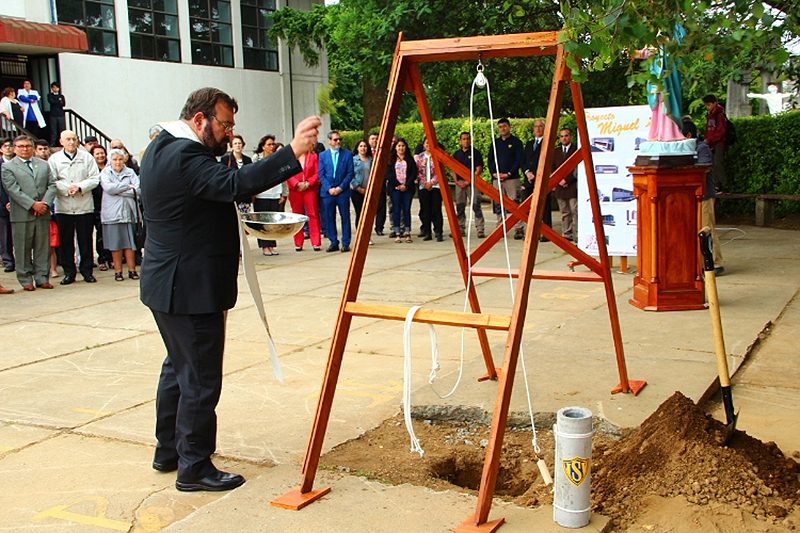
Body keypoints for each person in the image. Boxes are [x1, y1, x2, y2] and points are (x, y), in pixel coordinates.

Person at [139, 86, 319, 492]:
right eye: (225, 124)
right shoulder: (186, 155)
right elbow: (233, 184)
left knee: (177, 370)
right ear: (200, 119)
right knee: (200, 379)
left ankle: (168, 451)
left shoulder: (160, 147)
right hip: (190, 287)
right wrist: (291, 152)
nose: (228, 132)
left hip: (167, 284)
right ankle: (194, 467)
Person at [0, 135, 57, 291]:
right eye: (20, 146)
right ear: (15, 148)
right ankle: (25, 279)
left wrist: (44, 203)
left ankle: (42, 277)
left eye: (27, 146)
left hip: (43, 212)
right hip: (22, 213)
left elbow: (52, 185)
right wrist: (32, 204)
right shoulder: (8, 167)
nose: (24, 149)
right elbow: (13, 190)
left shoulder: (44, 165)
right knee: (22, 248)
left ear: (32, 147)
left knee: (42, 247)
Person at [49, 129, 100, 285]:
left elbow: (95, 178)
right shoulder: (54, 159)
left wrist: (79, 187)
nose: (71, 142)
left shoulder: (86, 157)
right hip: (64, 205)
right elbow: (52, 179)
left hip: (83, 204)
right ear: (61, 141)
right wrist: (67, 188)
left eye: (74, 139)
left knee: (85, 240)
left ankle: (87, 271)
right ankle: (69, 272)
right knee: (66, 242)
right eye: (68, 139)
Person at [100, 149, 140, 281]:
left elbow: (138, 190)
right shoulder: (105, 172)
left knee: (130, 243)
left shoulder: (130, 172)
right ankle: (118, 271)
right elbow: (109, 189)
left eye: (120, 159)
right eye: (115, 159)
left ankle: (132, 270)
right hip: (112, 213)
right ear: (110, 161)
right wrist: (128, 187)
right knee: (115, 244)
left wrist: (119, 189)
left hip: (129, 212)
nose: (117, 162)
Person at [487, 117, 524, 238]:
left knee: (515, 203)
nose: (502, 129)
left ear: (509, 127)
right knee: (498, 203)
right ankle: (500, 226)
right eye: (500, 127)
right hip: (497, 178)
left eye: (504, 126)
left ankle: (518, 228)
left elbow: (519, 160)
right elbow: (490, 159)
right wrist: (494, 173)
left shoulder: (516, 142)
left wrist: (508, 173)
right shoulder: (495, 143)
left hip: (512, 178)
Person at [318, 130, 354, 252]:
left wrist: (340, 188)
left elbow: (350, 173)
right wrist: (329, 188)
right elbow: (321, 174)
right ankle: (333, 241)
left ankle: (345, 242)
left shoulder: (347, 154)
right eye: (335, 139)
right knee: (329, 217)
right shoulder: (323, 156)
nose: (338, 141)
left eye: (339, 139)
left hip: (342, 191)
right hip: (328, 193)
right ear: (329, 141)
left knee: (345, 216)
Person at [252, 134, 286, 255]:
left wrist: (283, 193)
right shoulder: (256, 159)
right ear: (263, 146)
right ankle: (264, 246)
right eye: (269, 144)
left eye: (273, 144)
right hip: (262, 195)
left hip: (275, 194)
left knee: (272, 222)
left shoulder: (277, 159)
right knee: (262, 222)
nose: (271, 147)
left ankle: (271, 245)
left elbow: (283, 177)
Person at [452, 131, 485, 239]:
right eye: (464, 139)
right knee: (460, 207)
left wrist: (468, 181)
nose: (466, 141)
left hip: (472, 184)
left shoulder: (475, 153)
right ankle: (461, 228)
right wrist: (456, 181)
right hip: (460, 184)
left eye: (468, 139)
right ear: (460, 141)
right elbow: (453, 169)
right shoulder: (456, 154)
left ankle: (480, 229)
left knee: (476, 206)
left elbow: (478, 169)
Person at [522, 120, 551, 242]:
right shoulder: (529, 144)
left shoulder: (547, 143)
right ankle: (531, 232)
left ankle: (547, 232)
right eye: (536, 127)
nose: (538, 129)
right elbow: (523, 160)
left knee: (544, 207)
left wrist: (537, 174)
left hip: (541, 180)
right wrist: (527, 172)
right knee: (529, 207)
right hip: (529, 180)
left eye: (541, 126)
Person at [287, 149, 321, 251]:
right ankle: (298, 242)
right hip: (295, 190)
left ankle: (316, 242)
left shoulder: (313, 156)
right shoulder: (290, 157)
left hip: (309, 189)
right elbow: (287, 173)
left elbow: (317, 172)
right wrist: (296, 184)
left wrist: (308, 183)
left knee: (313, 214)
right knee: (297, 215)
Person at [385, 137, 418, 243]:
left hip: (407, 188)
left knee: (407, 209)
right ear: (395, 147)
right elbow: (389, 174)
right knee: (396, 210)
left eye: (403, 146)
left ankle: (407, 233)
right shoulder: (390, 159)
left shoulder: (409, 159)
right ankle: (397, 233)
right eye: (399, 146)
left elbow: (413, 173)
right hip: (395, 188)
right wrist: (398, 185)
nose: (401, 148)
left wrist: (406, 185)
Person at [415, 136, 444, 241]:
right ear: (423, 145)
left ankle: (438, 232)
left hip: (435, 186)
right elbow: (418, 172)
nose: (428, 145)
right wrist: (424, 182)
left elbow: (439, 171)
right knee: (425, 210)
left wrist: (431, 182)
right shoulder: (419, 157)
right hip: (423, 186)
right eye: (426, 143)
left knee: (436, 209)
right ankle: (427, 232)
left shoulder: (437, 156)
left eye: (430, 143)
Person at [552, 128, 578, 241]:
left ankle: (577, 234)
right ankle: (566, 234)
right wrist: (558, 180)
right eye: (562, 136)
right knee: (564, 212)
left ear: (570, 137)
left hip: (572, 186)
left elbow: (577, 168)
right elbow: (552, 168)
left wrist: (567, 180)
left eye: (566, 135)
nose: (564, 138)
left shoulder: (575, 150)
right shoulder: (556, 151)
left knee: (575, 211)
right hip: (560, 187)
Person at [90, 145, 113, 271]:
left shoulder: (110, 168)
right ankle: (102, 258)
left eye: (102, 153)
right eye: (97, 154)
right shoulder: (92, 169)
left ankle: (111, 257)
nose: (100, 156)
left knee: (109, 233)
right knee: (100, 234)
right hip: (96, 205)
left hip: (110, 204)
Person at [220, 134, 252, 213]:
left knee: (245, 219)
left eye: (239, 143)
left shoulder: (248, 160)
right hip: (231, 196)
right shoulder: (225, 159)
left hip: (245, 196)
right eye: (235, 143)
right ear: (231, 146)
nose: (238, 145)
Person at [702, 94, 728, 193]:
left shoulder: (719, 115)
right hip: (711, 142)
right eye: (706, 105)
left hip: (718, 142)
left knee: (718, 163)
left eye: (709, 105)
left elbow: (720, 131)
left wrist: (710, 139)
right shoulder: (710, 115)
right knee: (712, 163)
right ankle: (716, 185)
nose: (707, 107)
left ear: (714, 103)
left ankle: (724, 185)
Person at [368, 132, 387, 236]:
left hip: (381, 182)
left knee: (381, 206)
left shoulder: (383, 152)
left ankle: (379, 227)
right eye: (372, 138)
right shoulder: (365, 152)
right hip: (367, 183)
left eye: (376, 139)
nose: (374, 140)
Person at [350, 139, 371, 232]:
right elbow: (350, 175)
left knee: (368, 214)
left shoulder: (372, 159)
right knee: (359, 212)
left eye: (365, 146)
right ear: (357, 148)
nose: (363, 148)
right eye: (361, 146)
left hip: (369, 190)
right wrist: (358, 188)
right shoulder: (353, 160)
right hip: (356, 191)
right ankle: (360, 233)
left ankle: (367, 235)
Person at [0, 138, 14, 273]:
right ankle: (8, 260)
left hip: (20, 203)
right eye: (6, 146)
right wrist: (6, 202)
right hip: (3, 205)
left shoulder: (18, 163)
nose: (9, 148)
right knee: (5, 235)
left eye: (11, 146)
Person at [47, 82, 66, 147]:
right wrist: (58, 100)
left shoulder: (61, 96)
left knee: (62, 130)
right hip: (53, 115)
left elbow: (63, 104)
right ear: (52, 88)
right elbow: (51, 102)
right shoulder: (50, 95)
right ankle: (52, 144)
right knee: (53, 130)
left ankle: (63, 143)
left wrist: (58, 101)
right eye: (53, 87)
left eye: (56, 87)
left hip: (61, 114)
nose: (55, 89)